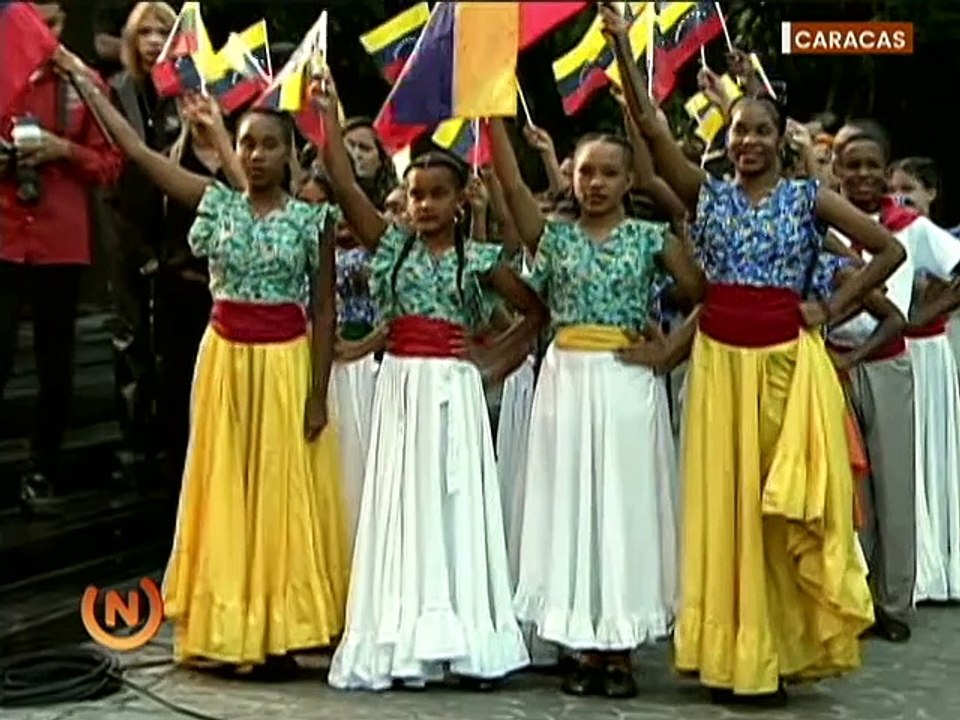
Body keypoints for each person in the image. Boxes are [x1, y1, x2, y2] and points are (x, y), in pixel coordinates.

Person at [600, 5, 904, 704]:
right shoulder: (706, 196)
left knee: (779, 509)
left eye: (763, 131)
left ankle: (779, 650)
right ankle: (729, 655)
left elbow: (886, 251)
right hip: (718, 363)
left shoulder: (808, 198)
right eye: (740, 130)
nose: (750, 141)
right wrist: (622, 49)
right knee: (724, 506)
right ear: (726, 137)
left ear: (780, 139)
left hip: (783, 368)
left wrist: (829, 307)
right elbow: (648, 129)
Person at [55, 48, 349, 671]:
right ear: (232, 148)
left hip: (284, 363)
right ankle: (230, 627)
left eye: (270, 144)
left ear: (290, 153)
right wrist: (87, 83)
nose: (256, 155)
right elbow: (138, 152)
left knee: (279, 493)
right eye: (246, 143)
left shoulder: (312, 220)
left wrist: (318, 392)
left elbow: (324, 309)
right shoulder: (216, 204)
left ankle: (283, 631)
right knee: (226, 492)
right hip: (224, 362)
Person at [315, 76, 544, 692]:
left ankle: (469, 641)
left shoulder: (482, 259)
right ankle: (404, 638)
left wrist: (492, 360)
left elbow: (536, 312)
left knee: (455, 502)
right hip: (400, 390)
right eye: (415, 194)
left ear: (461, 199)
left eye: (437, 195)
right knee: (402, 502)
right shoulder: (390, 249)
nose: (423, 205)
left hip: (456, 388)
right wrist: (327, 114)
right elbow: (340, 178)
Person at [491, 98, 704, 696]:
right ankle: (582, 646)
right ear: (570, 174)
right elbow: (510, 187)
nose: (596, 183)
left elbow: (703, 294)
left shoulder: (649, 238)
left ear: (630, 180)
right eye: (586, 172)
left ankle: (621, 648)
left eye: (610, 172)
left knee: (623, 506)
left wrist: (670, 350)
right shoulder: (553, 239)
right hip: (566, 380)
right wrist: (492, 120)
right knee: (572, 506)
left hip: (626, 380)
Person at [829, 126, 960, 634]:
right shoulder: (824, 222)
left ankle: (893, 601)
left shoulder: (910, 226)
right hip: (831, 362)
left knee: (893, 480)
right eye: (850, 165)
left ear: (885, 172)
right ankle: (852, 595)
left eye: (870, 166)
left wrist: (922, 310)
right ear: (835, 168)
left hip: (886, 359)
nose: (861, 175)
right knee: (845, 485)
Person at [0, 1, 123, 505]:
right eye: (34, 25)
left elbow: (113, 163)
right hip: (6, 233)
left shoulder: (84, 83)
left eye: (52, 25)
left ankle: (41, 468)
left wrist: (63, 150)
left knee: (56, 361)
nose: (44, 37)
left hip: (61, 239)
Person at [102, 1, 182, 466]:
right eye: (145, 33)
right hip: (127, 224)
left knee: (171, 338)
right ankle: (133, 440)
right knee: (129, 333)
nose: (153, 41)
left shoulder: (188, 93)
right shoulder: (116, 91)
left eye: (162, 32)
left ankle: (171, 437)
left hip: (177, 231)